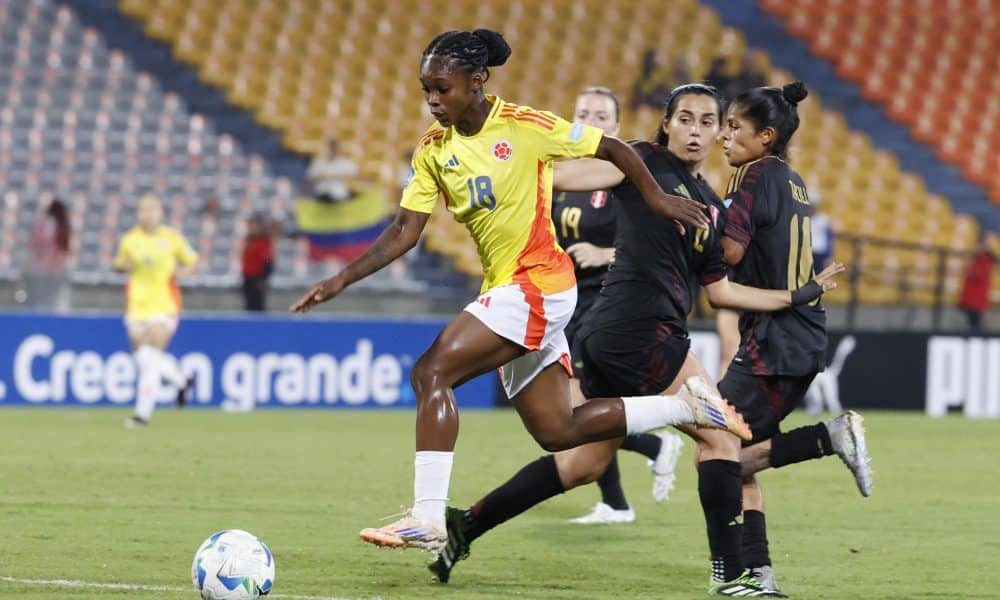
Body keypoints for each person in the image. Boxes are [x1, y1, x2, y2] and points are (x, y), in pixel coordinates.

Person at [290, 29, 750, 552]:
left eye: (443, 89)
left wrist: (660, 200)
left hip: (539, 282)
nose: (433, 101)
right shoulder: (434, 151)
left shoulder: (525, 125)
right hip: (511, 288)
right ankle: (683, 409)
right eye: (427, 91)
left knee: (430, 372)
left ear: (477, 82)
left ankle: (428, 517)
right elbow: (404, 231)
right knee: (559, 432)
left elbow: (615, 148)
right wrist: (340, 279)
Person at [427, 83, 844, 597]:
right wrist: (495, 161)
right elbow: (559, 175)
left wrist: (794, 296)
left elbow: (720, 292)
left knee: (583, 464)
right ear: (665, 124)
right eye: (685, 119)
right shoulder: (641, 163)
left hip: (618, 335)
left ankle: (466, 524)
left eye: (707, 122)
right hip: (639, 331)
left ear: (718, 132)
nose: (695, 130)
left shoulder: (711, 206)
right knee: (722, 440)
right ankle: (731, 576)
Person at [718, 82, 873, 594]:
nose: (724, 135)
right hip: (796, 336)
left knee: (719, 453)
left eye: (734, 127)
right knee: (733, 457)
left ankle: (828, 437)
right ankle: (758, 573)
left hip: (775, 340)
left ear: (765, 135)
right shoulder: (791, 179)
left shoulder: (751, 176)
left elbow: (730, 255)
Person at [554, 86, 685, 525]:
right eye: (582, 111)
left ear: (615, 127)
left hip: (610, 298)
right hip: (568, 300)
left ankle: (653, 449)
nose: (590, 119)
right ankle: (618, 497)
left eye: (600, 114)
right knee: (577, 410)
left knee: (579, 408)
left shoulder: (623, 174)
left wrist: (603, 253)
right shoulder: (564, 176)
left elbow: (654, 238)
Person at [115, 194, 199, 427]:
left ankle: (142, 414)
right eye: (142, 209)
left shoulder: (171, 238)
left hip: (164, 305)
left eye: (151, 209)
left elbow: (192, 259)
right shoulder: (130, 240)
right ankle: (181, 381)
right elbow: (119, 264)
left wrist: (182, 273)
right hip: (136, 306)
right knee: (143, 357)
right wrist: (125, 267)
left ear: (160, 213)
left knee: (150, 356)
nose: (147, 214)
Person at [25, 194, 72, 312]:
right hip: (57, 273)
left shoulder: (44, 225)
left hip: (41, 273)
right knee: (55, 308)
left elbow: (33, 248)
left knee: (38, 307)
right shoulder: (63, 227)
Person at [957, 233, 996, 331]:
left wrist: (967, 270)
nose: (975, 247)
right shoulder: (977, 258)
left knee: (975, 325)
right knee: (971, 323)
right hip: (971, 298)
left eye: (977, 244)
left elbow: (977, 274)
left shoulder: (984, 259)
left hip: (976, 299)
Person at [305, 136, 361, 203]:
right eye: (330, 146)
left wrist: (336, 175)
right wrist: (320, 177)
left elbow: (357, 174)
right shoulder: (318, 163)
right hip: (321, 196)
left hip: (339, 196)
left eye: (334, 146)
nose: (332, 149)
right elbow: (308, 180)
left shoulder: (345, 162)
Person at [241, 213, 274, 312]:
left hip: (258, 279)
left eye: (254, 225)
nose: (252, 228)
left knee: (257, 305)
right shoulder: (250, 240)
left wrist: (263, 278)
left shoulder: (263, 241)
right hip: (248, 278)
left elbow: (268, 260)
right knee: (249, 305)